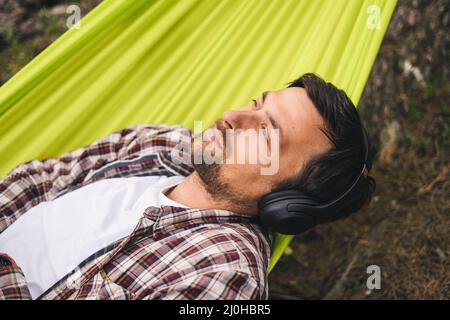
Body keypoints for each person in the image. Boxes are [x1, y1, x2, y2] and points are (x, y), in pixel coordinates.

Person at [0, 73, 375, 300]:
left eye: (264, 133)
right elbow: (40, 179)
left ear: (289, 203)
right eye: (256, 104)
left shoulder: (224, 277)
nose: (232, 117)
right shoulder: (162, 144)